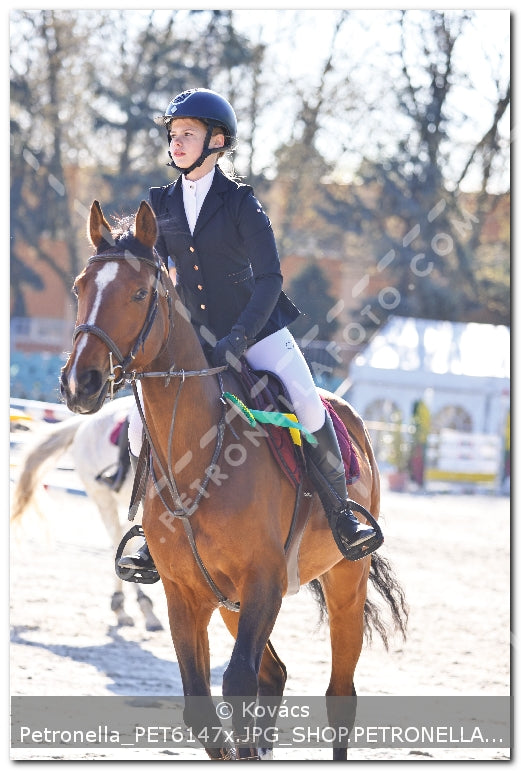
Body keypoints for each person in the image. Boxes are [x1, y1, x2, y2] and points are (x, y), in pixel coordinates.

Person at [118, 88, 382, 575]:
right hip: (194, 340)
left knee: (306, 402)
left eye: (188, 134)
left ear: (216, 141)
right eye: (173, 134)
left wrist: (239, 337)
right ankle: (149, 530)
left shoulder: (240, 202)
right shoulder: (159, 202)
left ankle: (342, 515)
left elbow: (270, 279)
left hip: (257, 331)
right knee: (137, 422)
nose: (176, 143)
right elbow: (150, 270)